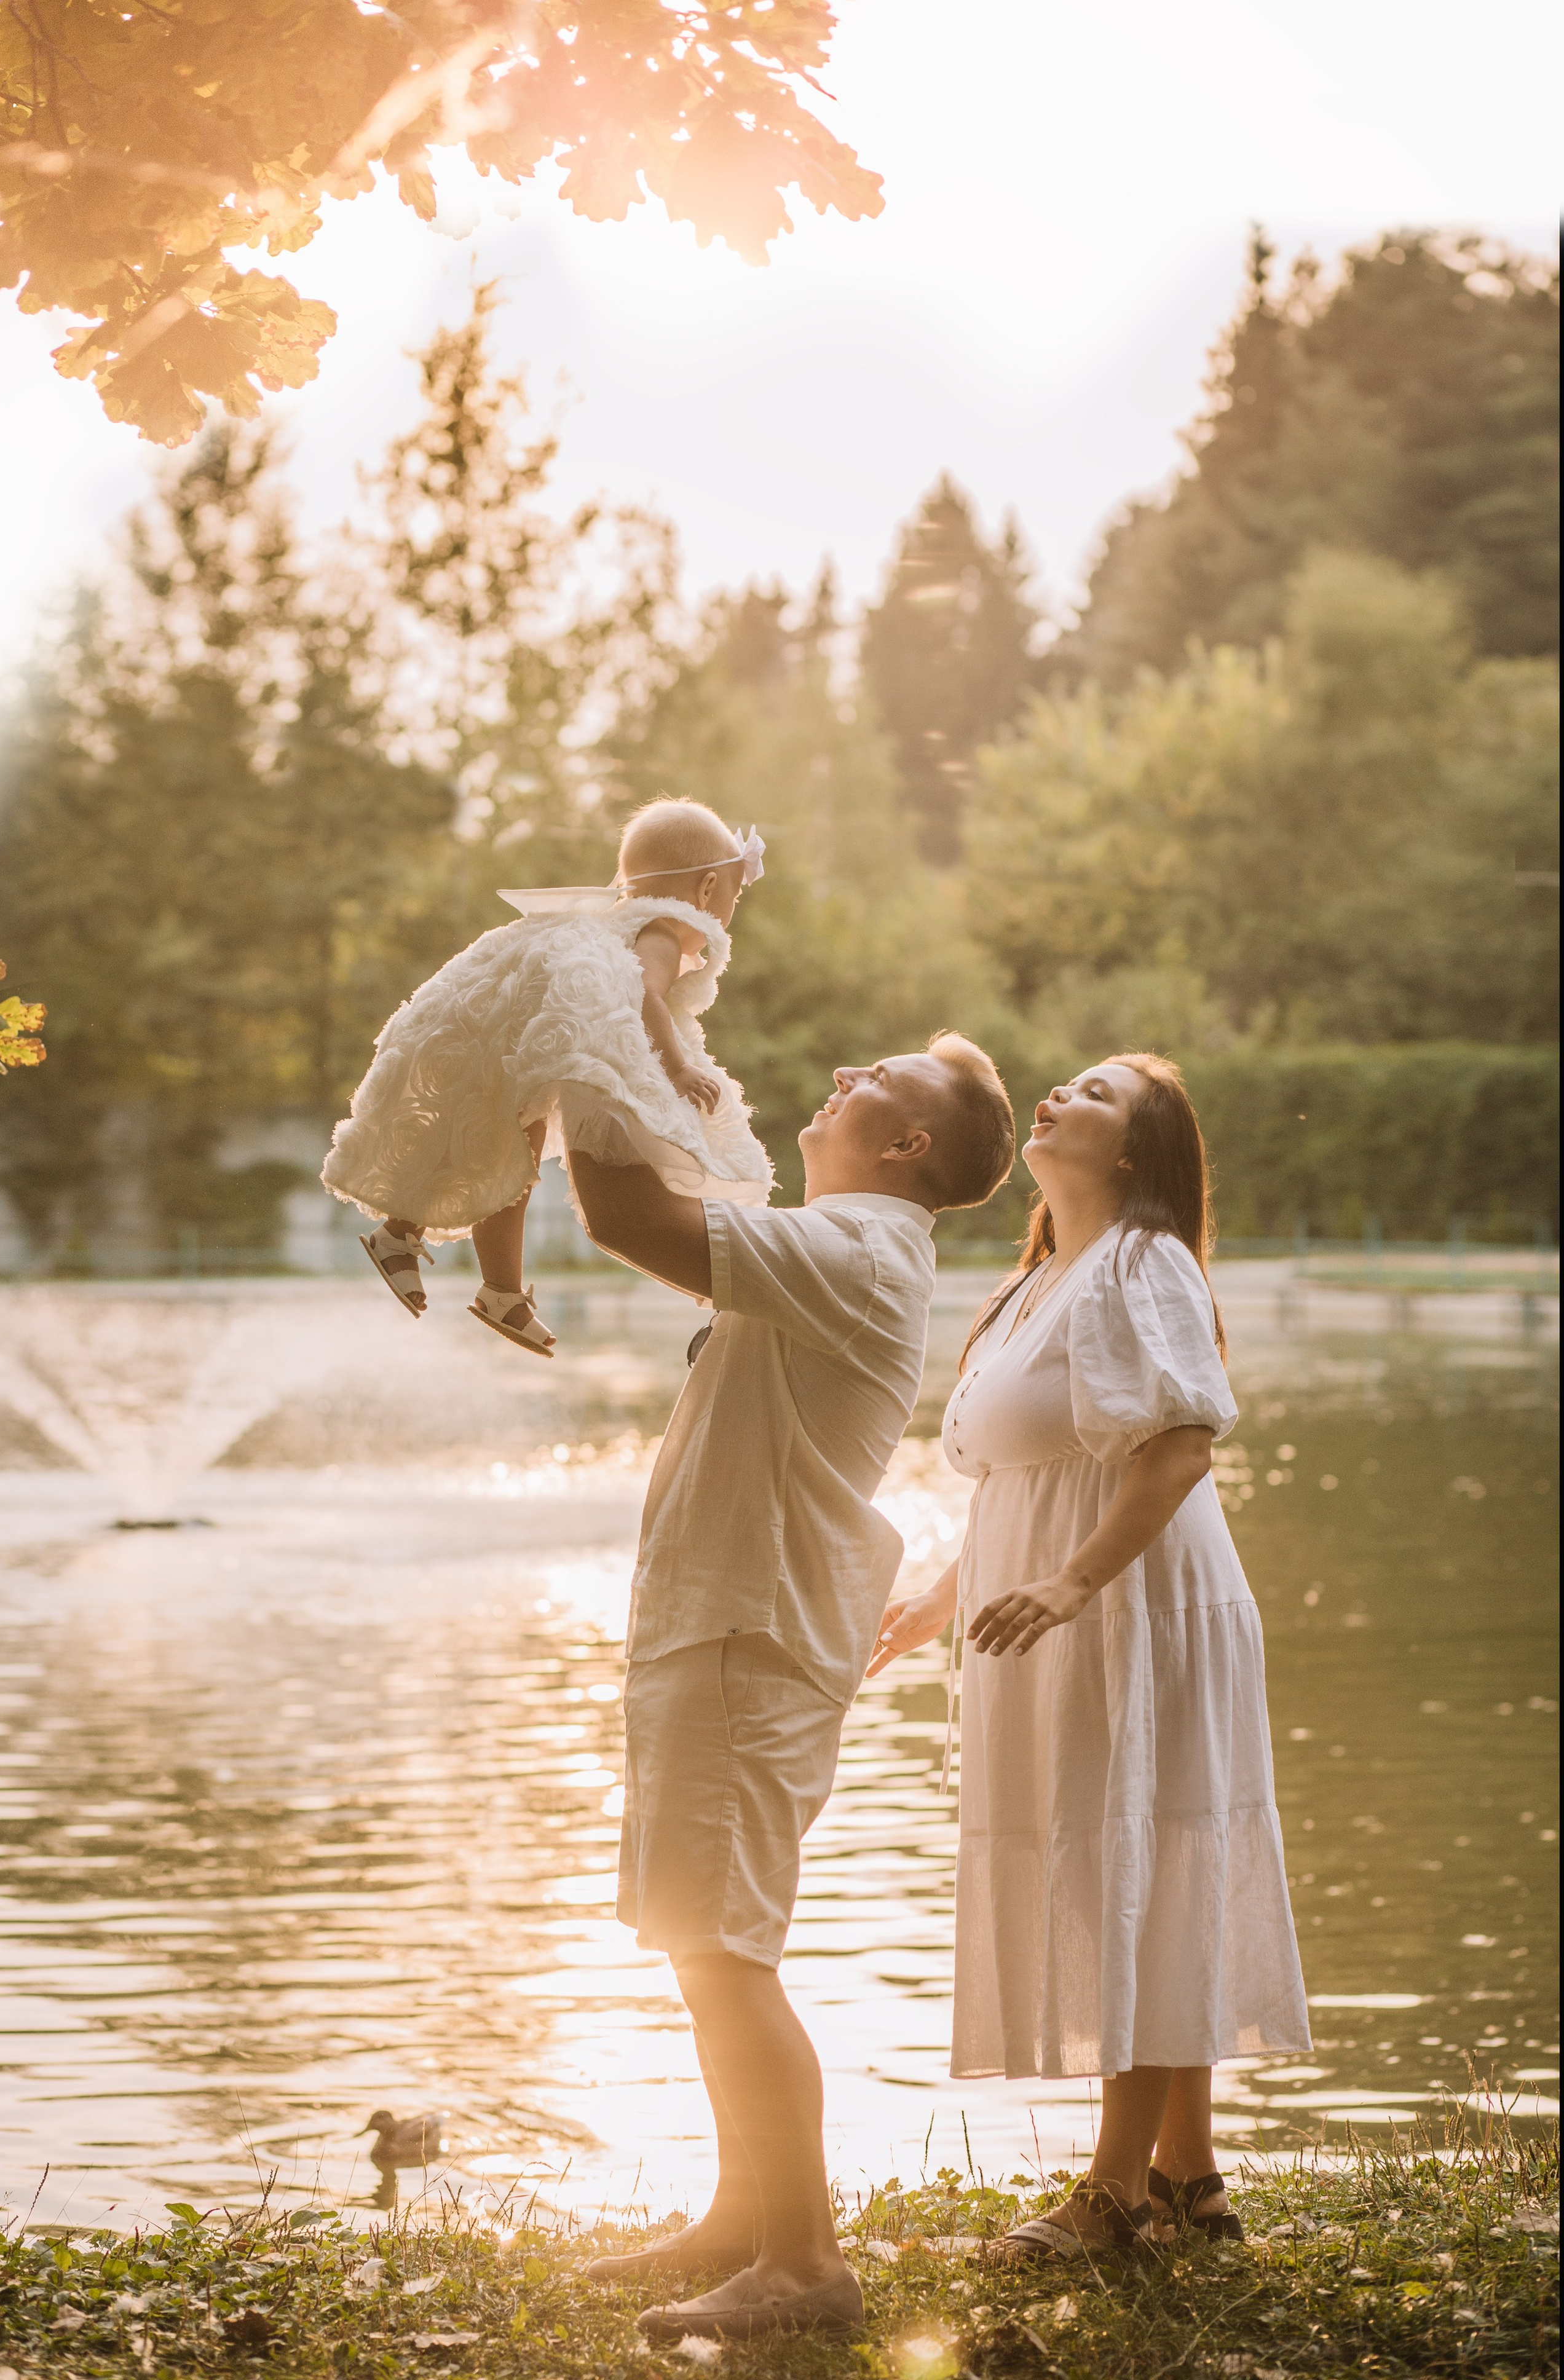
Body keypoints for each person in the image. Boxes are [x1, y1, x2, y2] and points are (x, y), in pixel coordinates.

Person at [571, 1034, 1015, 2342]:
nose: (838, 1081)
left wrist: (583, 1022)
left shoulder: (862, 1252)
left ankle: (805, 2266)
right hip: (715, 1627)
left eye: (869, 1081)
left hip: (743, 1638)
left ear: (908, 1147)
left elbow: (621, 1211)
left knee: (727, 1948)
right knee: (699, 1939)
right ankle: (741, 2215)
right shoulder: (835, 1244)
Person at [869, 1053, 1310, 2261]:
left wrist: (1070, 1581)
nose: (1061, 1094)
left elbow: (1175, 1446)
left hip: (1137, 1601)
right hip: (1060, 1604)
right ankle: (1187, 2179)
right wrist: (947, 1596)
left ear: (1131, 1152)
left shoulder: (1141, 1261)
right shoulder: (1030, 1285)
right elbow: (1029, 1475)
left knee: (1140, 1858)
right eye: (1064, 1080)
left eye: (1098, 1093)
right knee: (1137, 1853)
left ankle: (1112, 2194)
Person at [320, 798, 772, 1356]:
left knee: (494, 1143)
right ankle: (487, 1285)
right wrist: (677, 1068)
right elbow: (648, 994)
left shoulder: (612, 923)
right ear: (706, 890)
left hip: (525, 1034)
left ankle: (429, 1251)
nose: (729, 910)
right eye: (734, 894)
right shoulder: (662, 932)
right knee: (509, 1156)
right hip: (552, 1041)